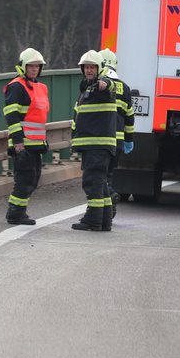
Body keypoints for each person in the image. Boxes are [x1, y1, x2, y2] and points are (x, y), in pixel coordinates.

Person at [2, 48, 50, 225]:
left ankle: (18, 211)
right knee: (24, 180)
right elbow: (11, 116)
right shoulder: (16, 86)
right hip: (23, 144)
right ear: (23, 67)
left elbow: (38, 118)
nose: (34, 69)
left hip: (36, 144)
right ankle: (15, 213)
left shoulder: (41, 87)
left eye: (37, 66)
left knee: (33, 179)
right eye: (31, 66)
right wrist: (18, 143)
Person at [71, 50, 117, 231]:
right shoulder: (86, 88)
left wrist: (104, 83)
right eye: (87, 67)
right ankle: (105, 221)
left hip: (98, 145)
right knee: (101, 184)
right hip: (93, 145)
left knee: (92, 182)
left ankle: (93, 220)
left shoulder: (102, 86)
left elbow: (110, 84)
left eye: (92, 67)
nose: (89, 70)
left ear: (99, 69)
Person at [99, 48, 135, 218]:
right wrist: (129, 139)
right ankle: (109, 210)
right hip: (118, 141)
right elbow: (129, 117)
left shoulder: (97, 84)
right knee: (109, 174)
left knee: (99, 176)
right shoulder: (125, 88)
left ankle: (110, 197)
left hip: (101, 139)